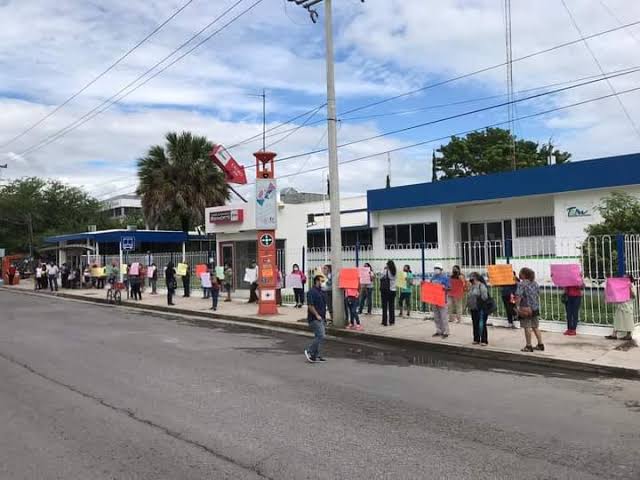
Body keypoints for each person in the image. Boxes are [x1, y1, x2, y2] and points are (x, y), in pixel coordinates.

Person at [515, 267, 544, 352]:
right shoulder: (534, 283)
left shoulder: (521, 284)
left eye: (520, 272)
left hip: (525, 309)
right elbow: (538, 293)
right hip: (535, 308)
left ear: (524, 275)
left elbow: (518, 296)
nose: (519, 274)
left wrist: (517, 307)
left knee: (527, 327)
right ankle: (540, 344)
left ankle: (528, 346)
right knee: (535, 326)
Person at [305, 275, 327, 363]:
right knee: (321, 335)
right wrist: (317, 315)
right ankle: (309, 350)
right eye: (322, 281)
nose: (323, 282)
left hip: (321, 317)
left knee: (318, 336)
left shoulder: (321, 292)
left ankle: (315, 355)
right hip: (314, 318)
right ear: (317, 281)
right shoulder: (311, 292)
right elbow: (310, 305)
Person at [606, 276, 635, 341]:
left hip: (627, 307)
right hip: (620, 305)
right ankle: (614, 334)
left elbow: (633, 296)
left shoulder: (632, 286)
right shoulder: (623, 286)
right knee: (617, 321)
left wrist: (629, 288)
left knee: (628, 321)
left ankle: (629, 335)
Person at [467, 272, 489, 345]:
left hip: (481, 308)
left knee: (481, 324)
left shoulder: (481, 286)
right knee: (475, 324)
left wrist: (477, 296)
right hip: (473, 308)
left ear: (475, 278)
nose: (470, 279)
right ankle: (476, 339)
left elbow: (485, 297)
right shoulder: (471, 286)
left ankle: (484, 340)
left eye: (471, 278)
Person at [431, 264, 451, 338]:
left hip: (442, 299)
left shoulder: (445, 278)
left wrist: (444, 288)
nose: (436, 269)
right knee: (436, 317)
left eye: (438, 268)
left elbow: (449, 288)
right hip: (434, 299)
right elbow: (430, 287)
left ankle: (446, 331)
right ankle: (438, 331)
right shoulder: (433, 277)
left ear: (441, 269)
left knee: (443, 317)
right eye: (435, 268)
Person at [380, 260, 397, 326]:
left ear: (388, 265)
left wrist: (384, 270)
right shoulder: (395, 271)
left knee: (384, 306)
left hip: (386, 290)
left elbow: (381, 277)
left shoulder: (386, 271)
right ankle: (392, 321)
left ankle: (384, 322)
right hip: (393, 290)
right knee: (391, 306)